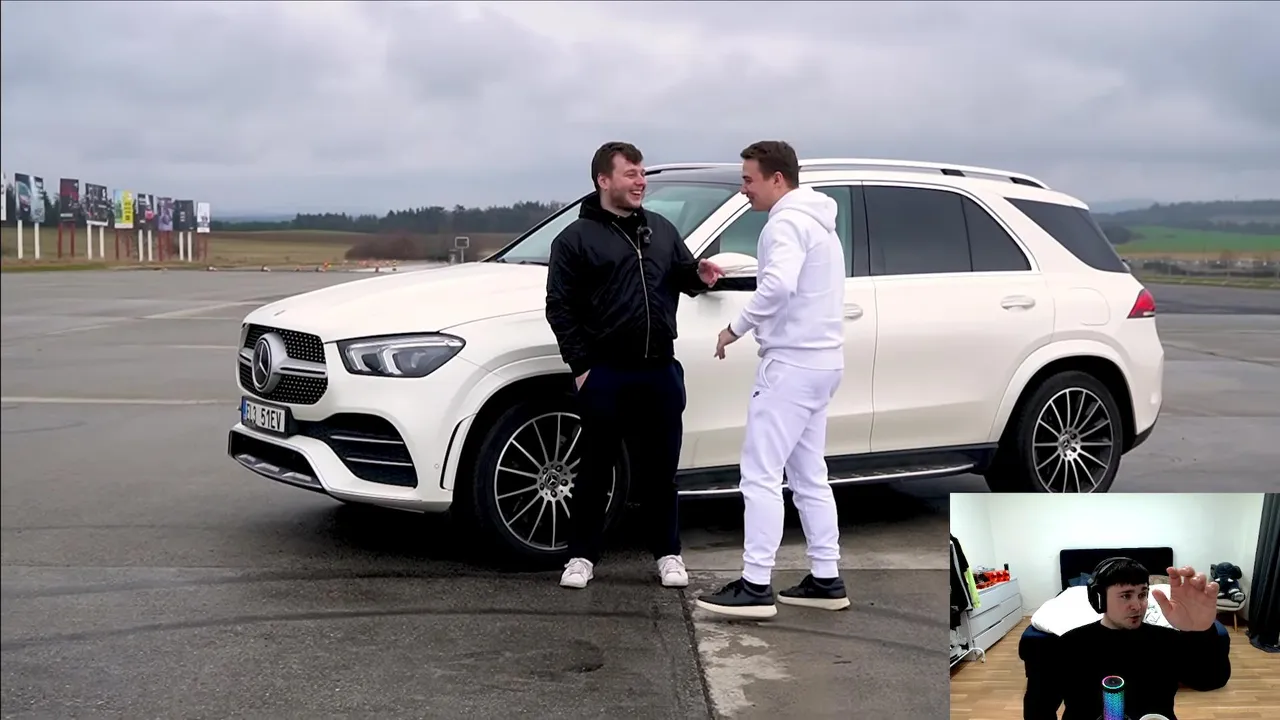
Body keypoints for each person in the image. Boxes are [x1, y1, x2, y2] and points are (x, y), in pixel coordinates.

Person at [545, 141, 724, 590]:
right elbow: (559, 307)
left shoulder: (660, 230)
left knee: (661, 473)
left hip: (659, 369)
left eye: (642, 173)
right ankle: (581, 557)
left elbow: (681, 273)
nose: (641, 181)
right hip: (606, 372)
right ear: (603, 180)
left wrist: (698, 276)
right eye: (631, 174)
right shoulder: (574, 240)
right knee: (595, 469)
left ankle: (668, 554)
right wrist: (582, 367)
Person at [695, 140, 849, 619]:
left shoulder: (784, 223)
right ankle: (826, 578)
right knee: (809, 476)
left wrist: (734, 328)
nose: (743, 190)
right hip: (824, 363)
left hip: (791, 367)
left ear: (777, 179)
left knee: (760, 475)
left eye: (749, 180)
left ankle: (756, 585)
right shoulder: (819, 223)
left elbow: (778, 286)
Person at [1023, 558, 1232, 720]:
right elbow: (1038, 709)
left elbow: (1211, 680)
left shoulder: (1166, 640)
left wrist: (1200, 631)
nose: (1138, 605)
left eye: (1142, 594)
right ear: (1099, 598)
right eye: (1126, 595)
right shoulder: (1067, 645)